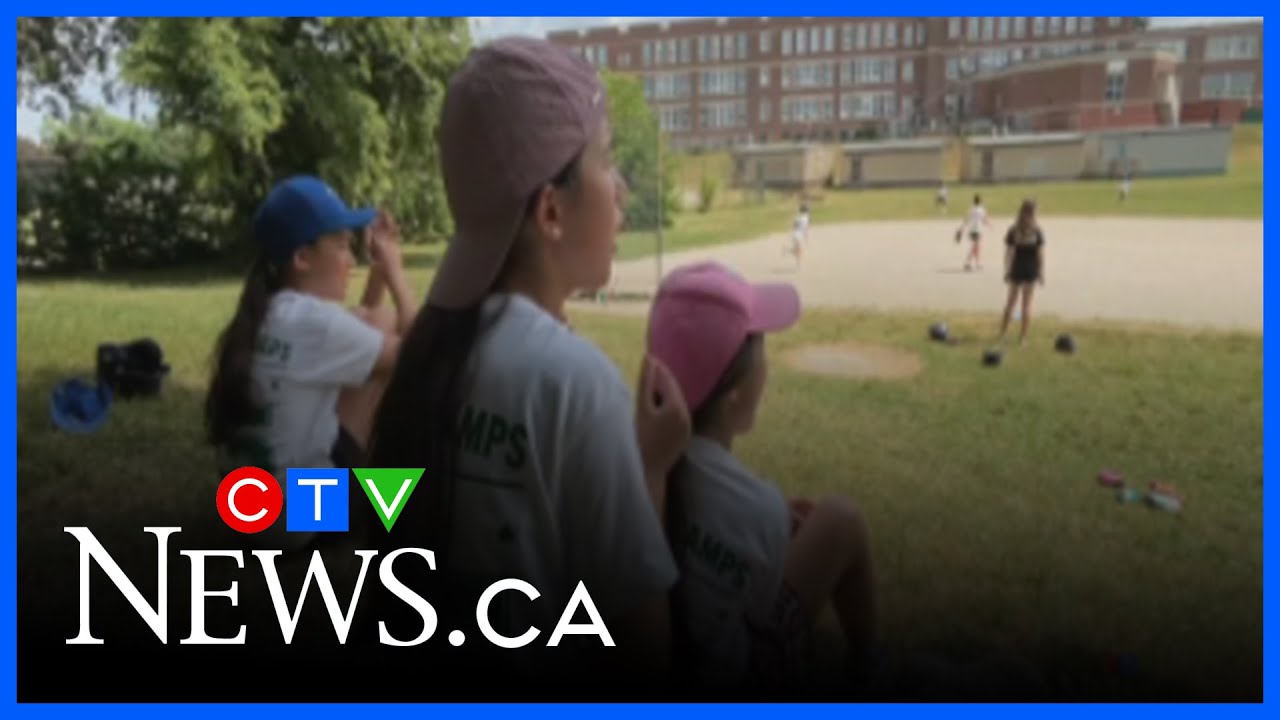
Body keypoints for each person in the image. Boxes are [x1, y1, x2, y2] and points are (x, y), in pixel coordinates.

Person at [360, 37, 692, 696]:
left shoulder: (424, 355)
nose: (621, 187)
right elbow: (640, 653)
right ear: (550, 211)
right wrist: (651, 471)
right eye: (605, 161)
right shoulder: (577, 384)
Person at [649, 261, 877, 697]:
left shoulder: (636, 462)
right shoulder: (758, 508)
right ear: (735, 392)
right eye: (762, 354)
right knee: (841, 518)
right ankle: (871, 664)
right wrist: (777, 529)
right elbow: (761, 609)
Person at [204, 175, 415, 551]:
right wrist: (397, 273)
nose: (351, 261)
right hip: (294, 520)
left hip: (247, 515)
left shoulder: (270, 312)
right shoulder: (314, 323)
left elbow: (359, 334)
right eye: (342, 247)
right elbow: (420, 359)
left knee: (375, 322)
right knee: (423, 483)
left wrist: (379, 272)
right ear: (302, 258)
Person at [999, 199, 1046, 345]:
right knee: (1025, 305)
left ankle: (1004, 333)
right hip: (1029, 269)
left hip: (1017, 268)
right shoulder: (1037, 231)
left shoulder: (1014, 230)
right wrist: (1041, 271)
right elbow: (1040, 254)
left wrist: (1007, 270)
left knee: (1012, 303)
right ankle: (1023, 337)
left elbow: (1009, 253)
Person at [955, 194, 991, 271]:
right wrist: (990, 225)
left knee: (977, 247)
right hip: (978, 230)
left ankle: (977, 263)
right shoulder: (981, 210)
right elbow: (984, 220)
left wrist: (961, 228)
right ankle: (968, 263)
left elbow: (966, 220)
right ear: (980, 201)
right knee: (975, 247)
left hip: (971, 231)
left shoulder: (971, 209)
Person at [787, 202, 811, 267]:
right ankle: (799, 264)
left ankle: (787, 251)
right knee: (800, 250)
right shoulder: (805, 218)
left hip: (795, 234)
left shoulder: (798, 217)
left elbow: (793, 225)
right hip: (799, 235)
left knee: (797, 250)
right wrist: (806, 236)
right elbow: (806, 228)